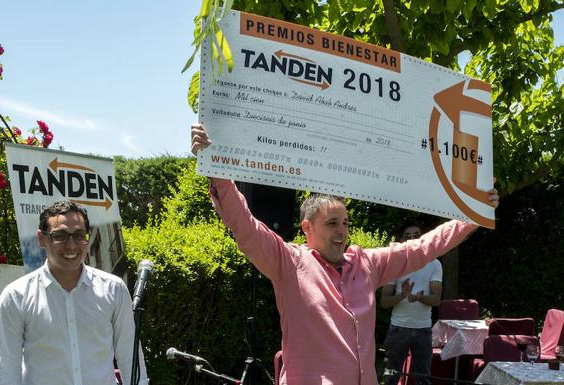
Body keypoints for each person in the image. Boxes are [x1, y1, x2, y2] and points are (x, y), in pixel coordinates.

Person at [191, 123, 499, 385]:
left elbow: (424, 248)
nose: (342, 231)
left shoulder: (366, 263)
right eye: (333, 223)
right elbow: (245, 226)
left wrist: (471, 216)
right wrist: (216, 169)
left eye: (346, 223)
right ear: (306, 227)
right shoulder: (288, 262)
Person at [0, 200, 148, 385]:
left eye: (79, 235)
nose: (71, 245)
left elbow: (130, 357)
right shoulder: (15, 297)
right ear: (42, 239)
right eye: (60, 236)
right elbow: (6, 372)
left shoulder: (113, 289)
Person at [380, 222, 442, 385]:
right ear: (402, 240)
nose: (412, 239)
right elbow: (384, 302)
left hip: (423, 330)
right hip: (398, 329)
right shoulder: (394, 264)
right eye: (408, 236)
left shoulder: (434, 264)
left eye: (416, 235)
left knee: (423, 379)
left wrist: (420, 298)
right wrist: (402, 295)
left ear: (422, 238)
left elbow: (436, 300)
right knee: (390, 377)